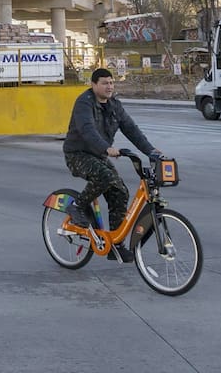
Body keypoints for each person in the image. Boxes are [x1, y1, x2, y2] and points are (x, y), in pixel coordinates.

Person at [62, 68, 162, 262]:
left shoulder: (115, 105)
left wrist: (150, 150)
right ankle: (76, 206)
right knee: (105, 177)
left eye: (111, 83)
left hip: (98, 155)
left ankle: (115, 245)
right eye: (104, 83)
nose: (109, 87)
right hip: (77, 154)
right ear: (93, 85)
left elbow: (131, 129)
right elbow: (87, 130)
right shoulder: (84, 102)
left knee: (120, 192)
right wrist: (107, 148)